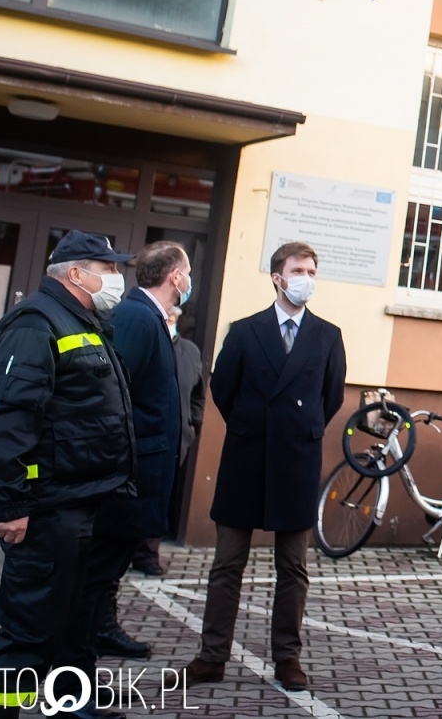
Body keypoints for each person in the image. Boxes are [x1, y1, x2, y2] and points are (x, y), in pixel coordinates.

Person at [0, 231, 136, 718]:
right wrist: (11, 503)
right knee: (31, 624)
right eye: (107, 268)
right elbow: (8, 417)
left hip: (86, 499)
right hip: (48, 506)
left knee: (72, 620)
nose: (115, 278)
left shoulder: (84, 319)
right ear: (74, 273)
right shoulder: (35, 323)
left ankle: (71, 707)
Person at [184, 241, 347, 692]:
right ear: (277, 277)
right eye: (298, 270)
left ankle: (287, 659)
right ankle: (211, 656)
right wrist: (253, 424)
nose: (306, 278)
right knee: (227, 564)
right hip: (247, 457)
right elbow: (223, 388)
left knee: (293, 568)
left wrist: (299, 428)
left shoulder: (327, 335)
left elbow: (330, 398)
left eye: (312, 270)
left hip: (296, 462)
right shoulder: (244, 330)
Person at [82, 241, 187, 666]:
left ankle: (100, 629)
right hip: (129, 470)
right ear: (175, 277)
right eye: (187, 271)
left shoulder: (151, 317)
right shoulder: (136, 317)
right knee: (102, 563)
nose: (188, 279)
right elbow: (113, 395)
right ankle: (83, 641)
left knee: (115, 560)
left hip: (144, 468)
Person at [132, 304, 205, 577]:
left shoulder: (190, 351)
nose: (170, 321)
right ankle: (121, 550)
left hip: (176, 438)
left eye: (174, 317)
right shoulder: (146, 344)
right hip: (141, 435)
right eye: (166, 317)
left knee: (161, 498)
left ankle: (147, 554)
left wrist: (191, 425)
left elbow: (198, 394)